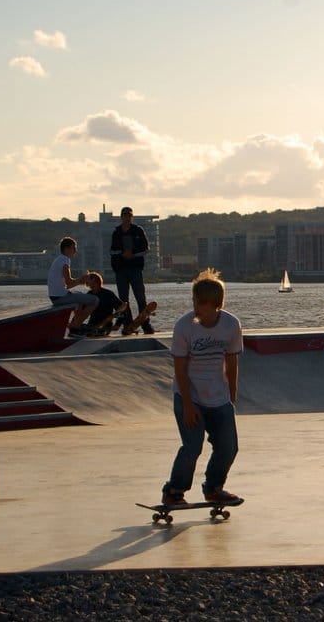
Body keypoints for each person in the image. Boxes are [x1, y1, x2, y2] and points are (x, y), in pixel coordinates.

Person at [161, 268, 245, 508]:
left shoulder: (231, 325)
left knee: (228, 447)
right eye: (194, 302)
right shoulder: (184, 327)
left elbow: (231, 361)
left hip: (218, 398)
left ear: (215, 304)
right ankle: (174, 491)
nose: (196, 308)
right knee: (192, 447)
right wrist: (187, 404)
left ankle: (214, 488)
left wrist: (231, 397)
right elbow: (179, 369)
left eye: (200, 304)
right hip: (190, 396)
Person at [110, 206, 154, 334]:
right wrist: (123, 253)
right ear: (121, 217)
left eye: (129, 215)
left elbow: (146, 248)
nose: (127, 218)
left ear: (131, 217)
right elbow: (112, 251)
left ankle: (146, 324)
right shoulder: (116, 232)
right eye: (125, 215)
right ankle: (127, 324)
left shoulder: (138, 231)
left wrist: (133, 253)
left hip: (135, 268)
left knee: (140, 297)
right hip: (121, 270)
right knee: (123, 300)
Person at [47, 237, 98, 333]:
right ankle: (76, 325)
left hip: (56, 296)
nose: (75, 251)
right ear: (66, 249)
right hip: (60, 298)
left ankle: (76, 325)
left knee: (79, 296)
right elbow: (69, 283)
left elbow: (68, 285)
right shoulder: (65, 260)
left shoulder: (59, 259)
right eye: (74, 248)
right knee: (95, 300)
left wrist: (80, 280)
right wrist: (81, 280)